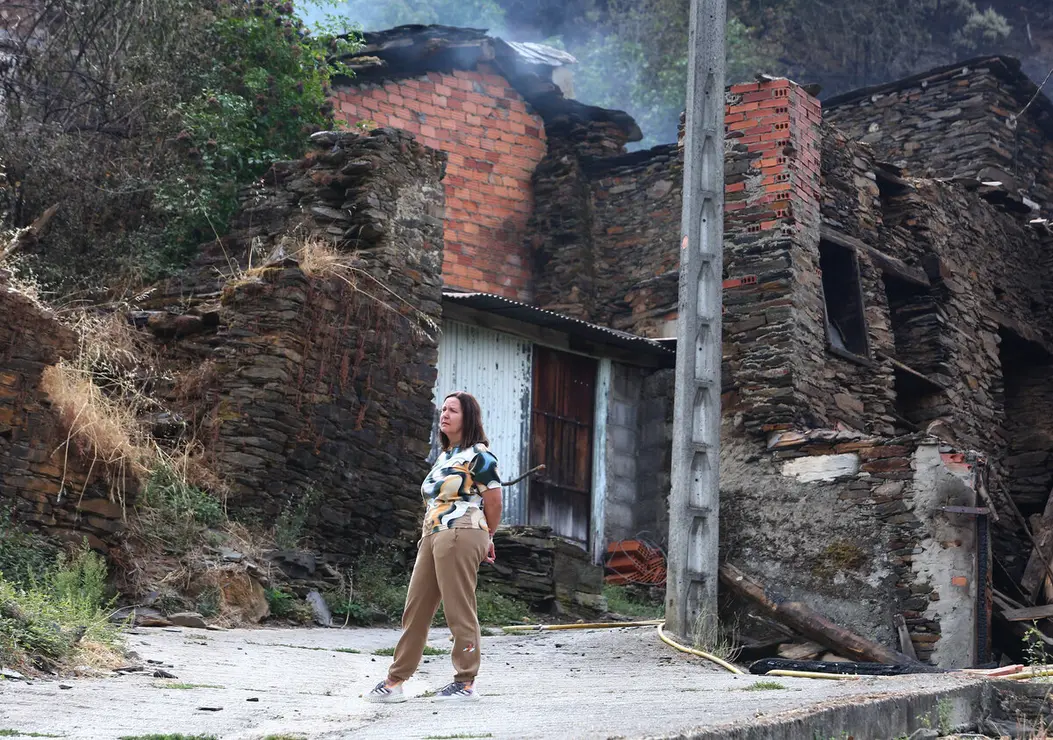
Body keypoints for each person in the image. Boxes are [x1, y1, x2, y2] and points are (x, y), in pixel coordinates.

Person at [365, 390, 502, 703]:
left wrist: (488, 535)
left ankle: (466, 682)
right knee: (416, 609)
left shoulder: (479, 455)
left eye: (452, 410)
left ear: (468, 417)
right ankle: (395, 680)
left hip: (461, 530)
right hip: (432, 533)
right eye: (443, 409)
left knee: (458, 608)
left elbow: (494, 501)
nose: (445, 415)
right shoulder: (445, 456)